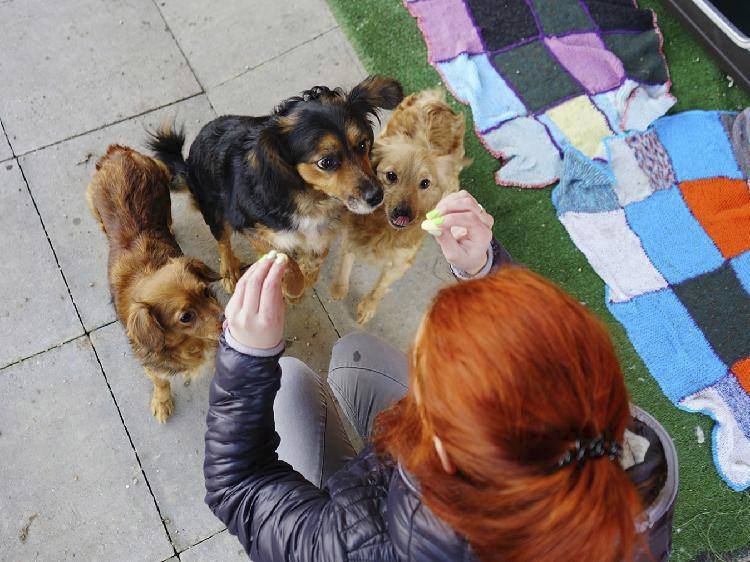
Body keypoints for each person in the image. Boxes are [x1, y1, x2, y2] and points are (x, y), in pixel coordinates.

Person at [203, 191, 675, 562]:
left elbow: (237, 486)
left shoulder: (368, 546)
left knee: (285, 383)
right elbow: (542, 365)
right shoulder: (632, 467)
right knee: (354, 354)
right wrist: (484, 272)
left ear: (446, 448)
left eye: (427, 378)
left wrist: (246, 357)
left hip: (373, 522)